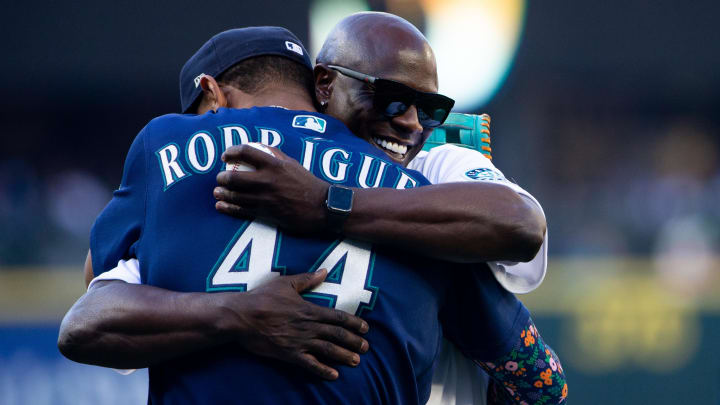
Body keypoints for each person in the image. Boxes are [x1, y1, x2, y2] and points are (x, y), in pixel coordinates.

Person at [61, 16, 565, 405]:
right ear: (321, 88)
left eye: (431, 110)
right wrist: (239, 314)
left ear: (212, 97)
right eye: (391, 100)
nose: (412, 124)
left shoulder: (436, 175)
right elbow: (540, 378)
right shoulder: (420, 192)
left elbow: (92, 300)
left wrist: (327, 203)